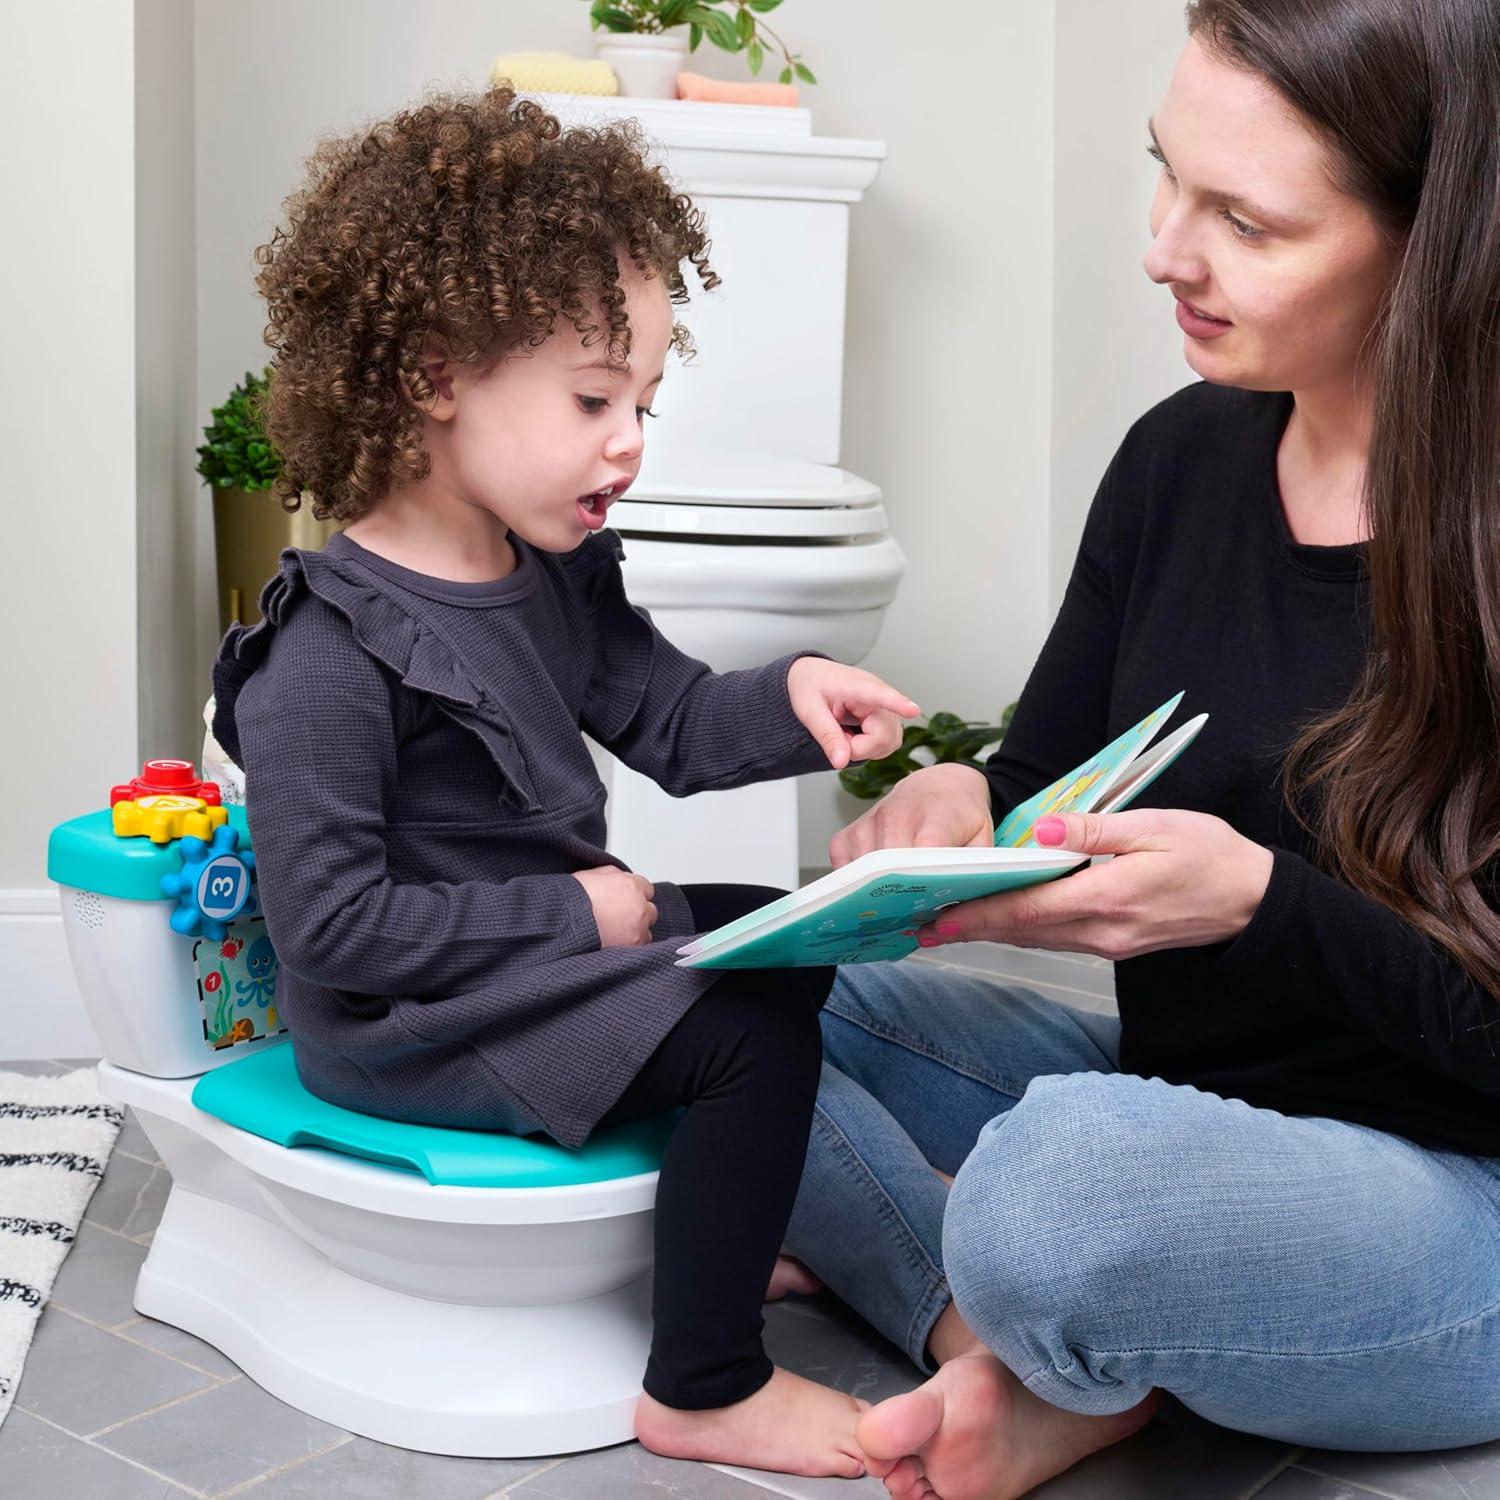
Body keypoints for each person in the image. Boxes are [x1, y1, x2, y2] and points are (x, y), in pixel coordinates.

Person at [777, 2, 1500, 1494]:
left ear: (1432, 244)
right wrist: (959, 802)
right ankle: (996, 1343)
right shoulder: (1182, 456)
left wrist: (1259, 907)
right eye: (1164, 176)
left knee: (1061, 1189)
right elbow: (1051, 774)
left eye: (1244, 219)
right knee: (727, 988)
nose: (1166, 250)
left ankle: (1043, 1300)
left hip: (1454, 1197)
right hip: (1191, 1111)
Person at [210, 84, 922, 1477]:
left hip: (523, 966)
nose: (630, 440)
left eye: (644, 402)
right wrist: (579, 918)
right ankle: (707, 1384)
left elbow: (668, 719)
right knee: (750, 1033)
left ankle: (729, 1224)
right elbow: (334, 932)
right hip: (417, 1022)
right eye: (597, 398)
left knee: (774, 934)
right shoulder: (330, 652)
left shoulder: (548, 579)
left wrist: (793, 698)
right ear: (432, 377)